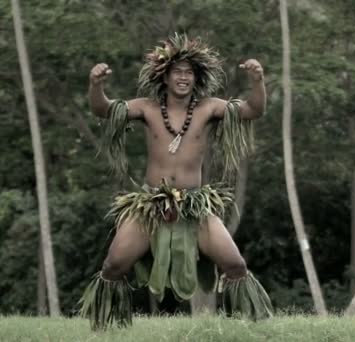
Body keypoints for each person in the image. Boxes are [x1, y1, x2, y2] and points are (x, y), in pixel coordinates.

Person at [79, 33, 273, 330]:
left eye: (189, 73)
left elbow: (253, 110)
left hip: (194, 205)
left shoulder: (209, 108)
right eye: (178, 72)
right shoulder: (148, 108)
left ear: (197, 78)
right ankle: (104, 326)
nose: (184, 77)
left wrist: (257, 81)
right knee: (114, 265)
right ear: (165, 77)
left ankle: (248, 326)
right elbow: (103, 110)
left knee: (235, 265)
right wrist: (96, 85)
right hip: (151, 204)